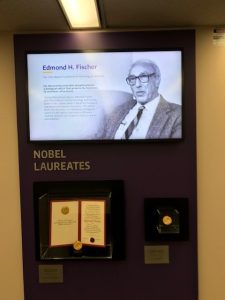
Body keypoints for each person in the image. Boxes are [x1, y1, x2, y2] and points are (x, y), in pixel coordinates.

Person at [103, 59, 181, 139]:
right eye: (132, 78)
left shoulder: (177, 114)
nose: (137, 85)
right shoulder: (117, 112)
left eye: (143, 77)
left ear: (157, 80)